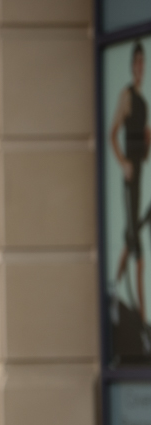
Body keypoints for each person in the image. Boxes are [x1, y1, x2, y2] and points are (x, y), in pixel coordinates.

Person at [110, 41, 150, 330]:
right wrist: (122, 162)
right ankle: (143, 318)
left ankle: (114, 290)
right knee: (137, 251)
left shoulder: (144, 104)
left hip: (140, 179)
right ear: (131, 65)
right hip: (128, 181)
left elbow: (145, 153)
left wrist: (148, 143)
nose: (139, 67)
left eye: (142, 62)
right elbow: (113, 134)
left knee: (130, 238)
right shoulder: (125, 96)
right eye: (136, 61)